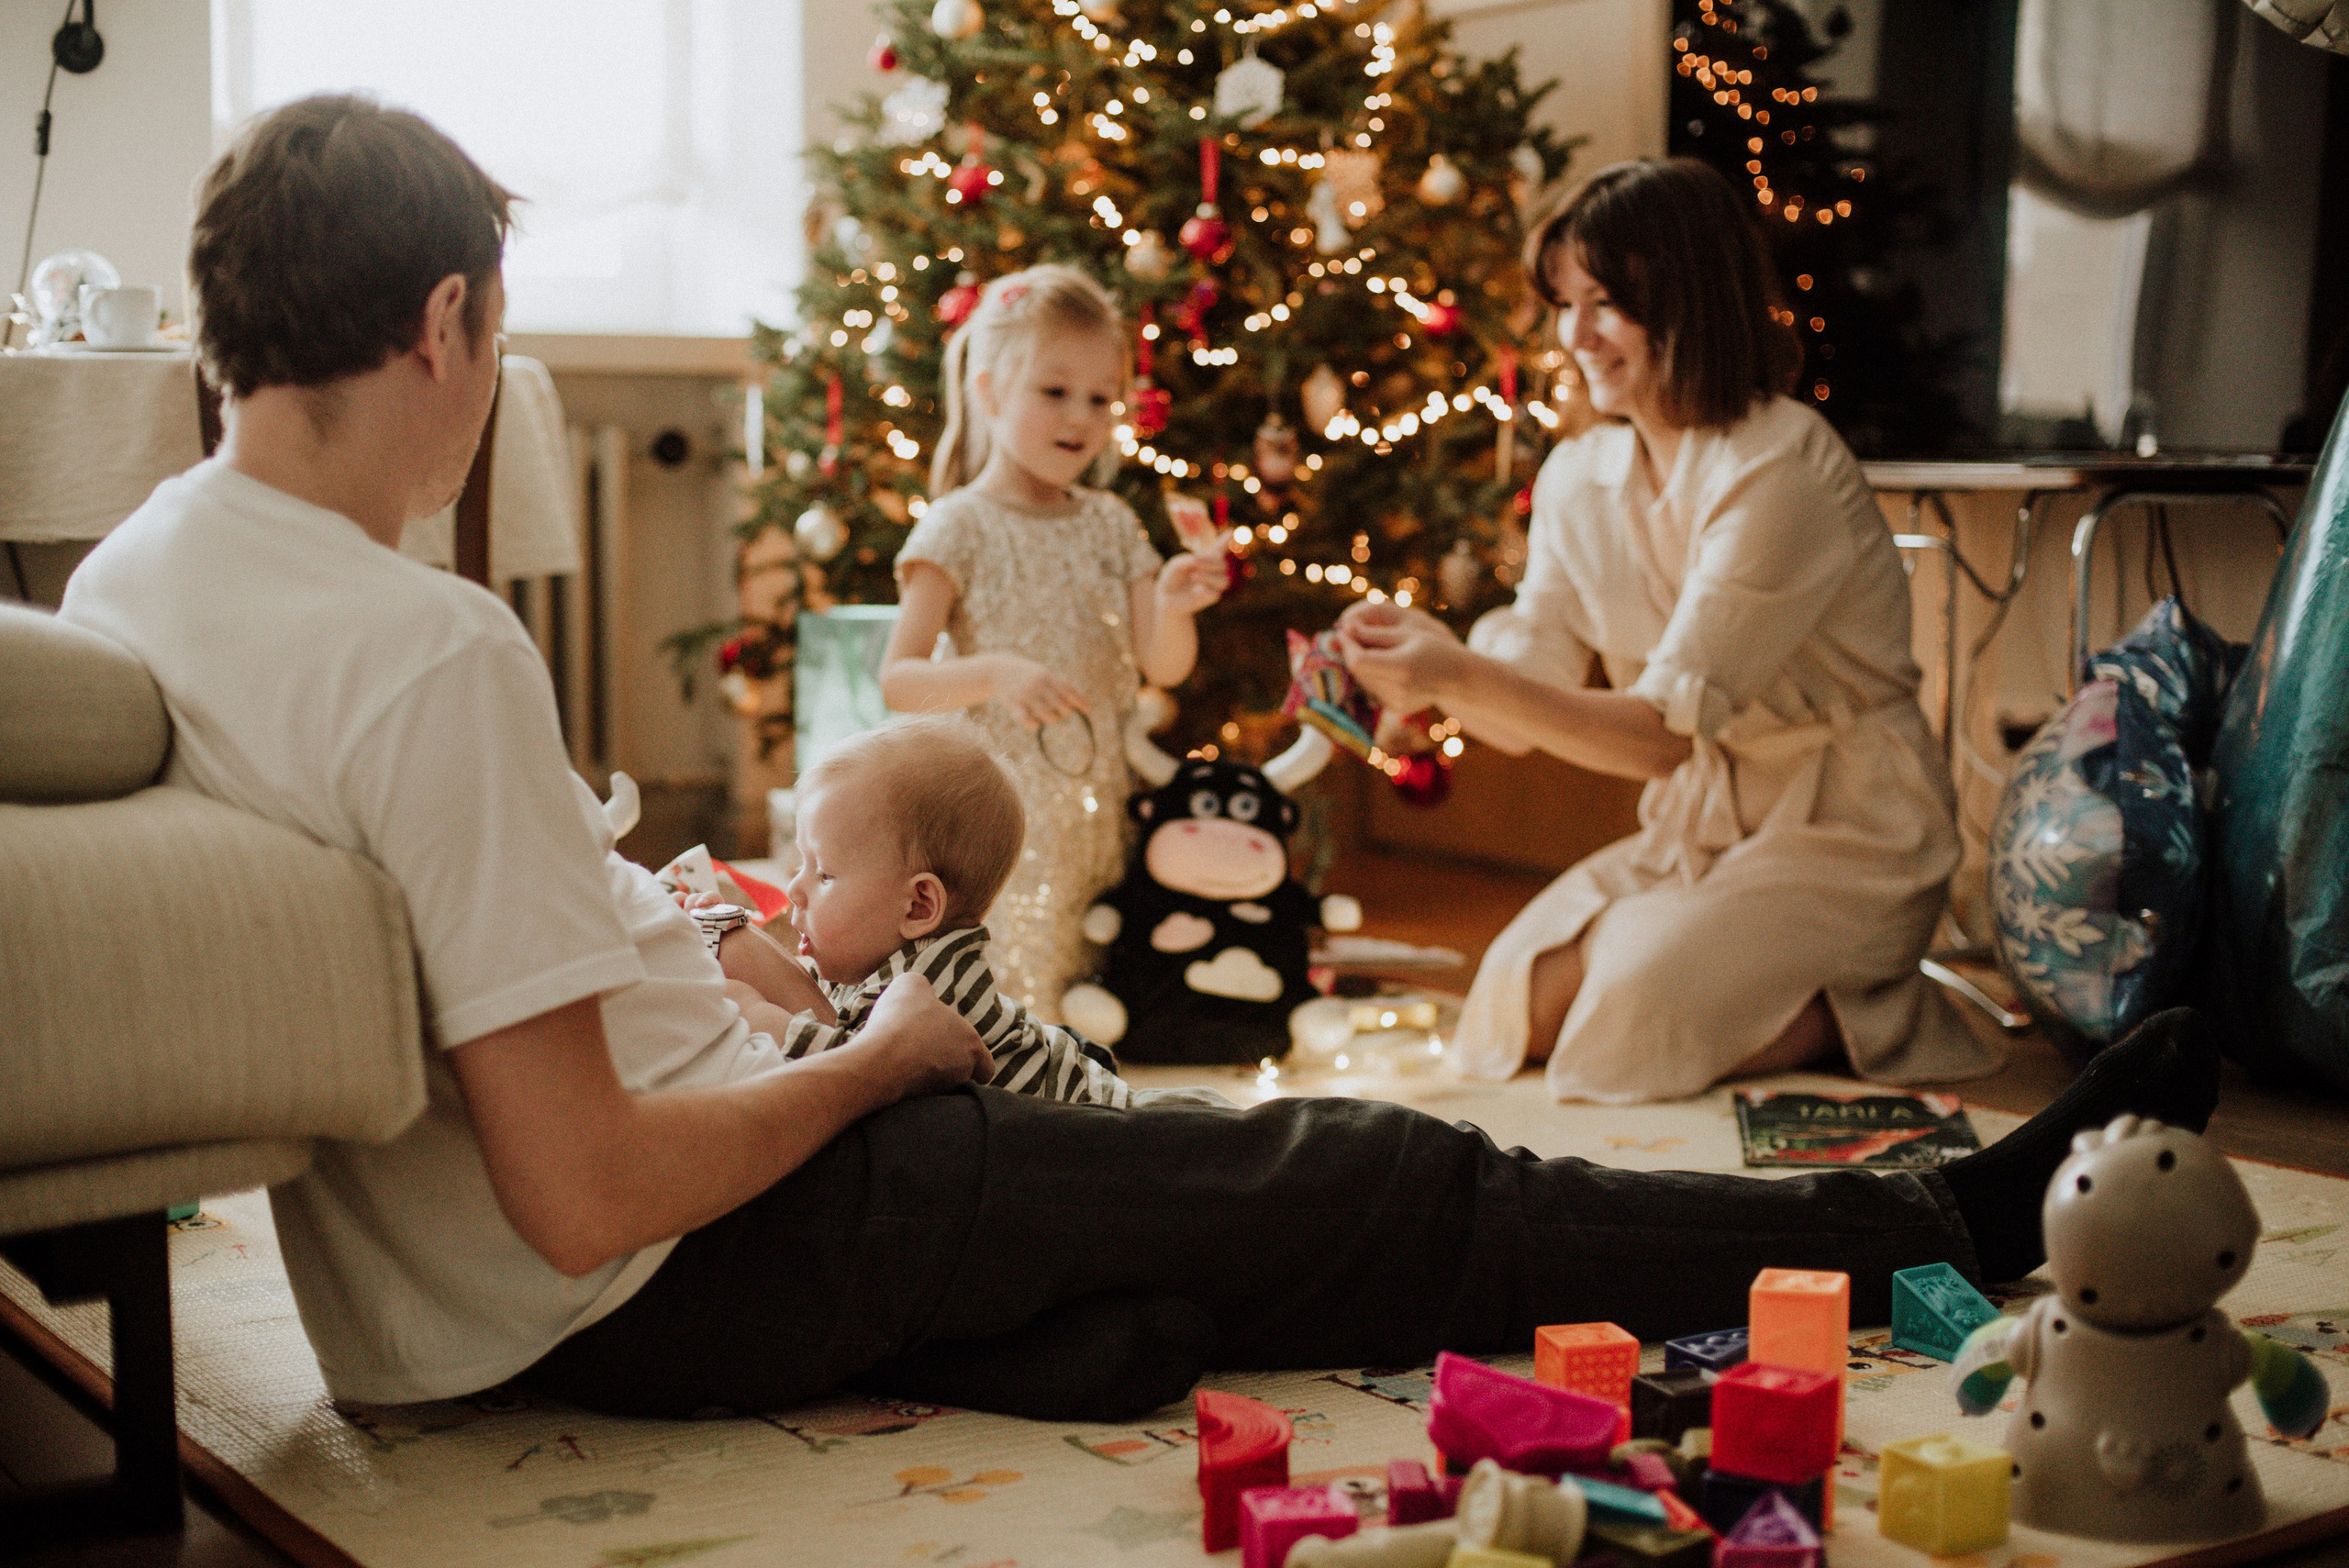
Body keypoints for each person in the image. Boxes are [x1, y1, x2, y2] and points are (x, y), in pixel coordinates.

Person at [62, 98, 2219, 1428]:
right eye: (502, 340)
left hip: (445, 1311)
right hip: (673, 1264)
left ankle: (1088, 1321)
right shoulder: (427, 646)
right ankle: (1945, 1207)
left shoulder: (137, 579)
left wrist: (684, 928)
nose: (492, 384)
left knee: (1205, 1239)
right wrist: (877, 1058)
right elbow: (581, 1193)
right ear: (438, 324)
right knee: (1377, 1179)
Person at [1338, 158, 2001, 1105]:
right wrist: (1428, 671)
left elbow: (1658, 733)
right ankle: (1702, 955)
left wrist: (1458, 676)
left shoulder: (1778, 463)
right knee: (1511, 1008)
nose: (1575, 334)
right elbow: (1536, 668)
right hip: (1697, 821)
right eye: (1564, 301)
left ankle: (1873, 1005)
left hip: (1849, 831)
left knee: (1627, 1018)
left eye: (1606, 301)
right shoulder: (1580, 470)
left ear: (1686, 299)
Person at [879, 264, 1228, 1025]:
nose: (1081, 416)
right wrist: (996, 672)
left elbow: (1165, 663)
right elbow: (899, 680)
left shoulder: (1111, 525)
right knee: (1002, 1012)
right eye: (1055, 391)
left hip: (1096, 820)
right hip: (997, 825)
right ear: (991, 392)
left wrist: (1173, 605)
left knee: (1089, 1006)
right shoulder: (958, 527)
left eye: (1102, 399)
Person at [760, 714, 1204, 1109]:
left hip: (1110, 1129)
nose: (795, 888)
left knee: (1217, 1142)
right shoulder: (864, 961)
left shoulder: (930, 985)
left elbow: (843, 1070)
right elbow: (806, 994)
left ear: (918, 906)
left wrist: (752, 1005)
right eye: (802, 864)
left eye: (824, 875)